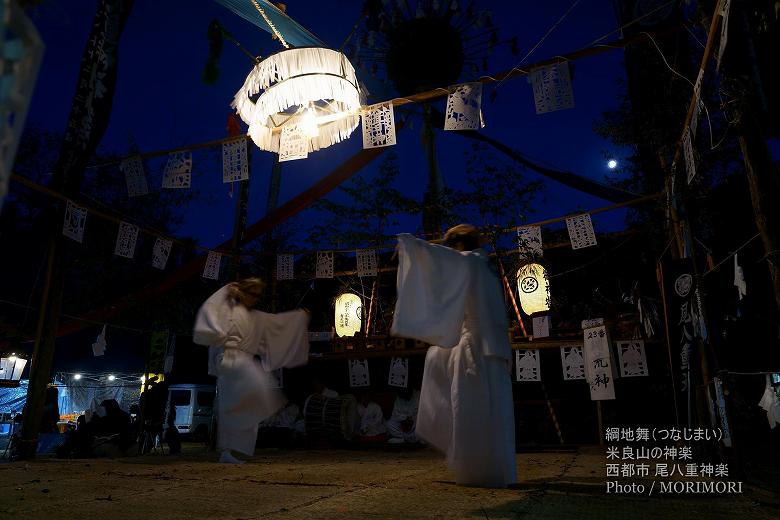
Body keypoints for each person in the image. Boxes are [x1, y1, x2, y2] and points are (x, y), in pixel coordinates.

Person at [390, 224, 517, 488]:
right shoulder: (484, 265)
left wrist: (409, 243)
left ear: (458, 245)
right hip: (494, 345)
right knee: (494, 410)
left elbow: (437, 260)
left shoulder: (467, 262)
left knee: (472, 408)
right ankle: (498, 470)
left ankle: (476, 470)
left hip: (475, 347)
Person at [193, 277, 309, 464]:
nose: (256, 298)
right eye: (253, 294)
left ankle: (232, 450)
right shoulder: (229, 307)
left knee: (249, 401)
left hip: (242, 361)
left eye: (258, 295)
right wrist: (226, 290)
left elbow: (276, 324)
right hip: (231, 360)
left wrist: (299, 318)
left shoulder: (253, 316)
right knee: (249, 395)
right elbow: (212, 311)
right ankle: (227, 451)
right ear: (244, 292)